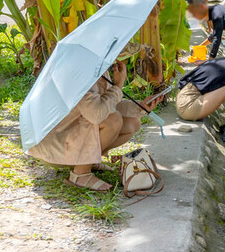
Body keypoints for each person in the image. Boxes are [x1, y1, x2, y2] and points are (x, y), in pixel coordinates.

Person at [27, 60, 160, 191]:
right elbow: (96, 115)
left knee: (132, 122)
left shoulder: (98, 67)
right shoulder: (79, 73)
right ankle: (80, 173)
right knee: (113, 120)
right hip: (55, 144)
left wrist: (140, 107)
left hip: (72, 136)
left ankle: (91, 160)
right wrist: (118, 85)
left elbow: (109, 103)